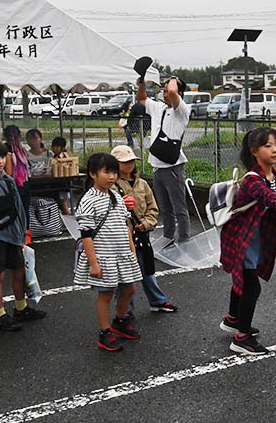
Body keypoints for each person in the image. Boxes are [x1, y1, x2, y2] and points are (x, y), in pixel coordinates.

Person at [219, 127, 276, 356]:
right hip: (241, 239)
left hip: (256, 238)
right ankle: (242, 338)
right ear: (254, 151)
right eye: (268, 146)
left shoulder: (274, 176)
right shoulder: (252, 179)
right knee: (251, 286)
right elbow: (267, 197)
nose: (275, 149)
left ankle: (232, 319)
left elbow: (272, 213)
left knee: (244, 281)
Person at [74, 153, 143, 352]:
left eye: (114, 172)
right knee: (106, 293)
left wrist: (131, 250)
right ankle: (105, 332)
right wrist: (94, 263)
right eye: (106, 172)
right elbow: (86, 234)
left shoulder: (115, 195)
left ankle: (120, 320)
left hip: (122, 253)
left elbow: (125, 224)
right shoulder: (89, 200)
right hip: (104, 254)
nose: (111, 176)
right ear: (93, 174)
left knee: (129, 288)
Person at [0, 138, 46, 332]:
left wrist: (23, 233)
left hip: (13, 235)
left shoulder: (8, 180)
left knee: (20, 270)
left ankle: (21, 308)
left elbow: (19, 209)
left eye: (2, 157)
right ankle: (0, 315)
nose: (0, 161)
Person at [110, 144, 178, 313]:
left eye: (132, 161)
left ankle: (157, 301)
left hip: (142, 234)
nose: (129, 165)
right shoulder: (111, 186)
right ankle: (125, 311)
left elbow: (152, 207)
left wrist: (147, 223)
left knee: (147, 269)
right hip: (123, 237)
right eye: (125, 162)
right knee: (126, 276)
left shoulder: (142, 184)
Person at [136, 75, 191, 243]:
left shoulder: (181, 110)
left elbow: (174, 91)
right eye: (164, 91)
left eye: (168, 91)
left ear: (179, 93)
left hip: (173, 167)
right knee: (165, 209)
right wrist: (142, 85)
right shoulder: (158, 107)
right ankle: (168, 238)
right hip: (157, 167)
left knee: (179, 208)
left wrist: (174, 78)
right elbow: (142, 98)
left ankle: (184, 239)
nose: (165, 94)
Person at [2, 125, 31, 228]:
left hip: (12, 185)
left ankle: (18, 235)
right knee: (25, 210)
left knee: (15, 211)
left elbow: (8, 172)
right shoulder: (22, 150)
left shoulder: (5, 150)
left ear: (5, 136)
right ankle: (27, 236)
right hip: (25, 183)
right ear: (19, 135)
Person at [50, 136, 73, 215]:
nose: (54, 149)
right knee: (61, 206)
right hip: (58, 184)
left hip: (63, 185)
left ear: (62, 148)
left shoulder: (64, 157)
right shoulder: (54, 156)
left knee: (64, 206)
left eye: (57, 147)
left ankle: (71, 223)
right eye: (53, 146)